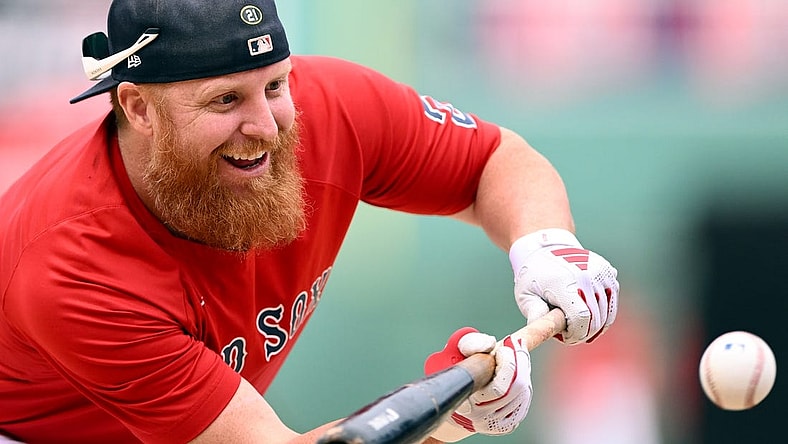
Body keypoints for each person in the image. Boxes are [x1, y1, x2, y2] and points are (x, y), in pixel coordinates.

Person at [0, 1, 619, 443]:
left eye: (275, 86)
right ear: (138, 106)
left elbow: (492, 161)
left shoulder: (327, 111)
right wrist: (449, 416)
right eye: (225, 99)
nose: (267, 128)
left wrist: (545, 245)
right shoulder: (73, 267)